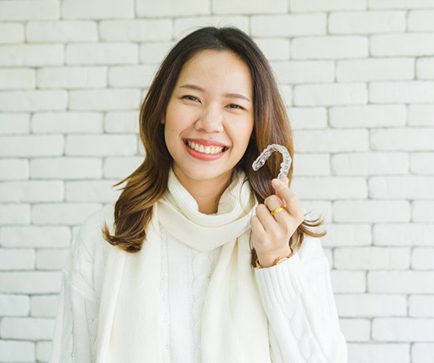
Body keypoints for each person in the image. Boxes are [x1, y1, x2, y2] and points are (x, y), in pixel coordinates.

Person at [50, 26, 347, 363]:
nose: (209, 122)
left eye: (234, 105)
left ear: (254, 124)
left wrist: (276, 262)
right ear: (162, 108)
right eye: (191, 98)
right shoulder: (105, 235)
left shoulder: (288, 237)